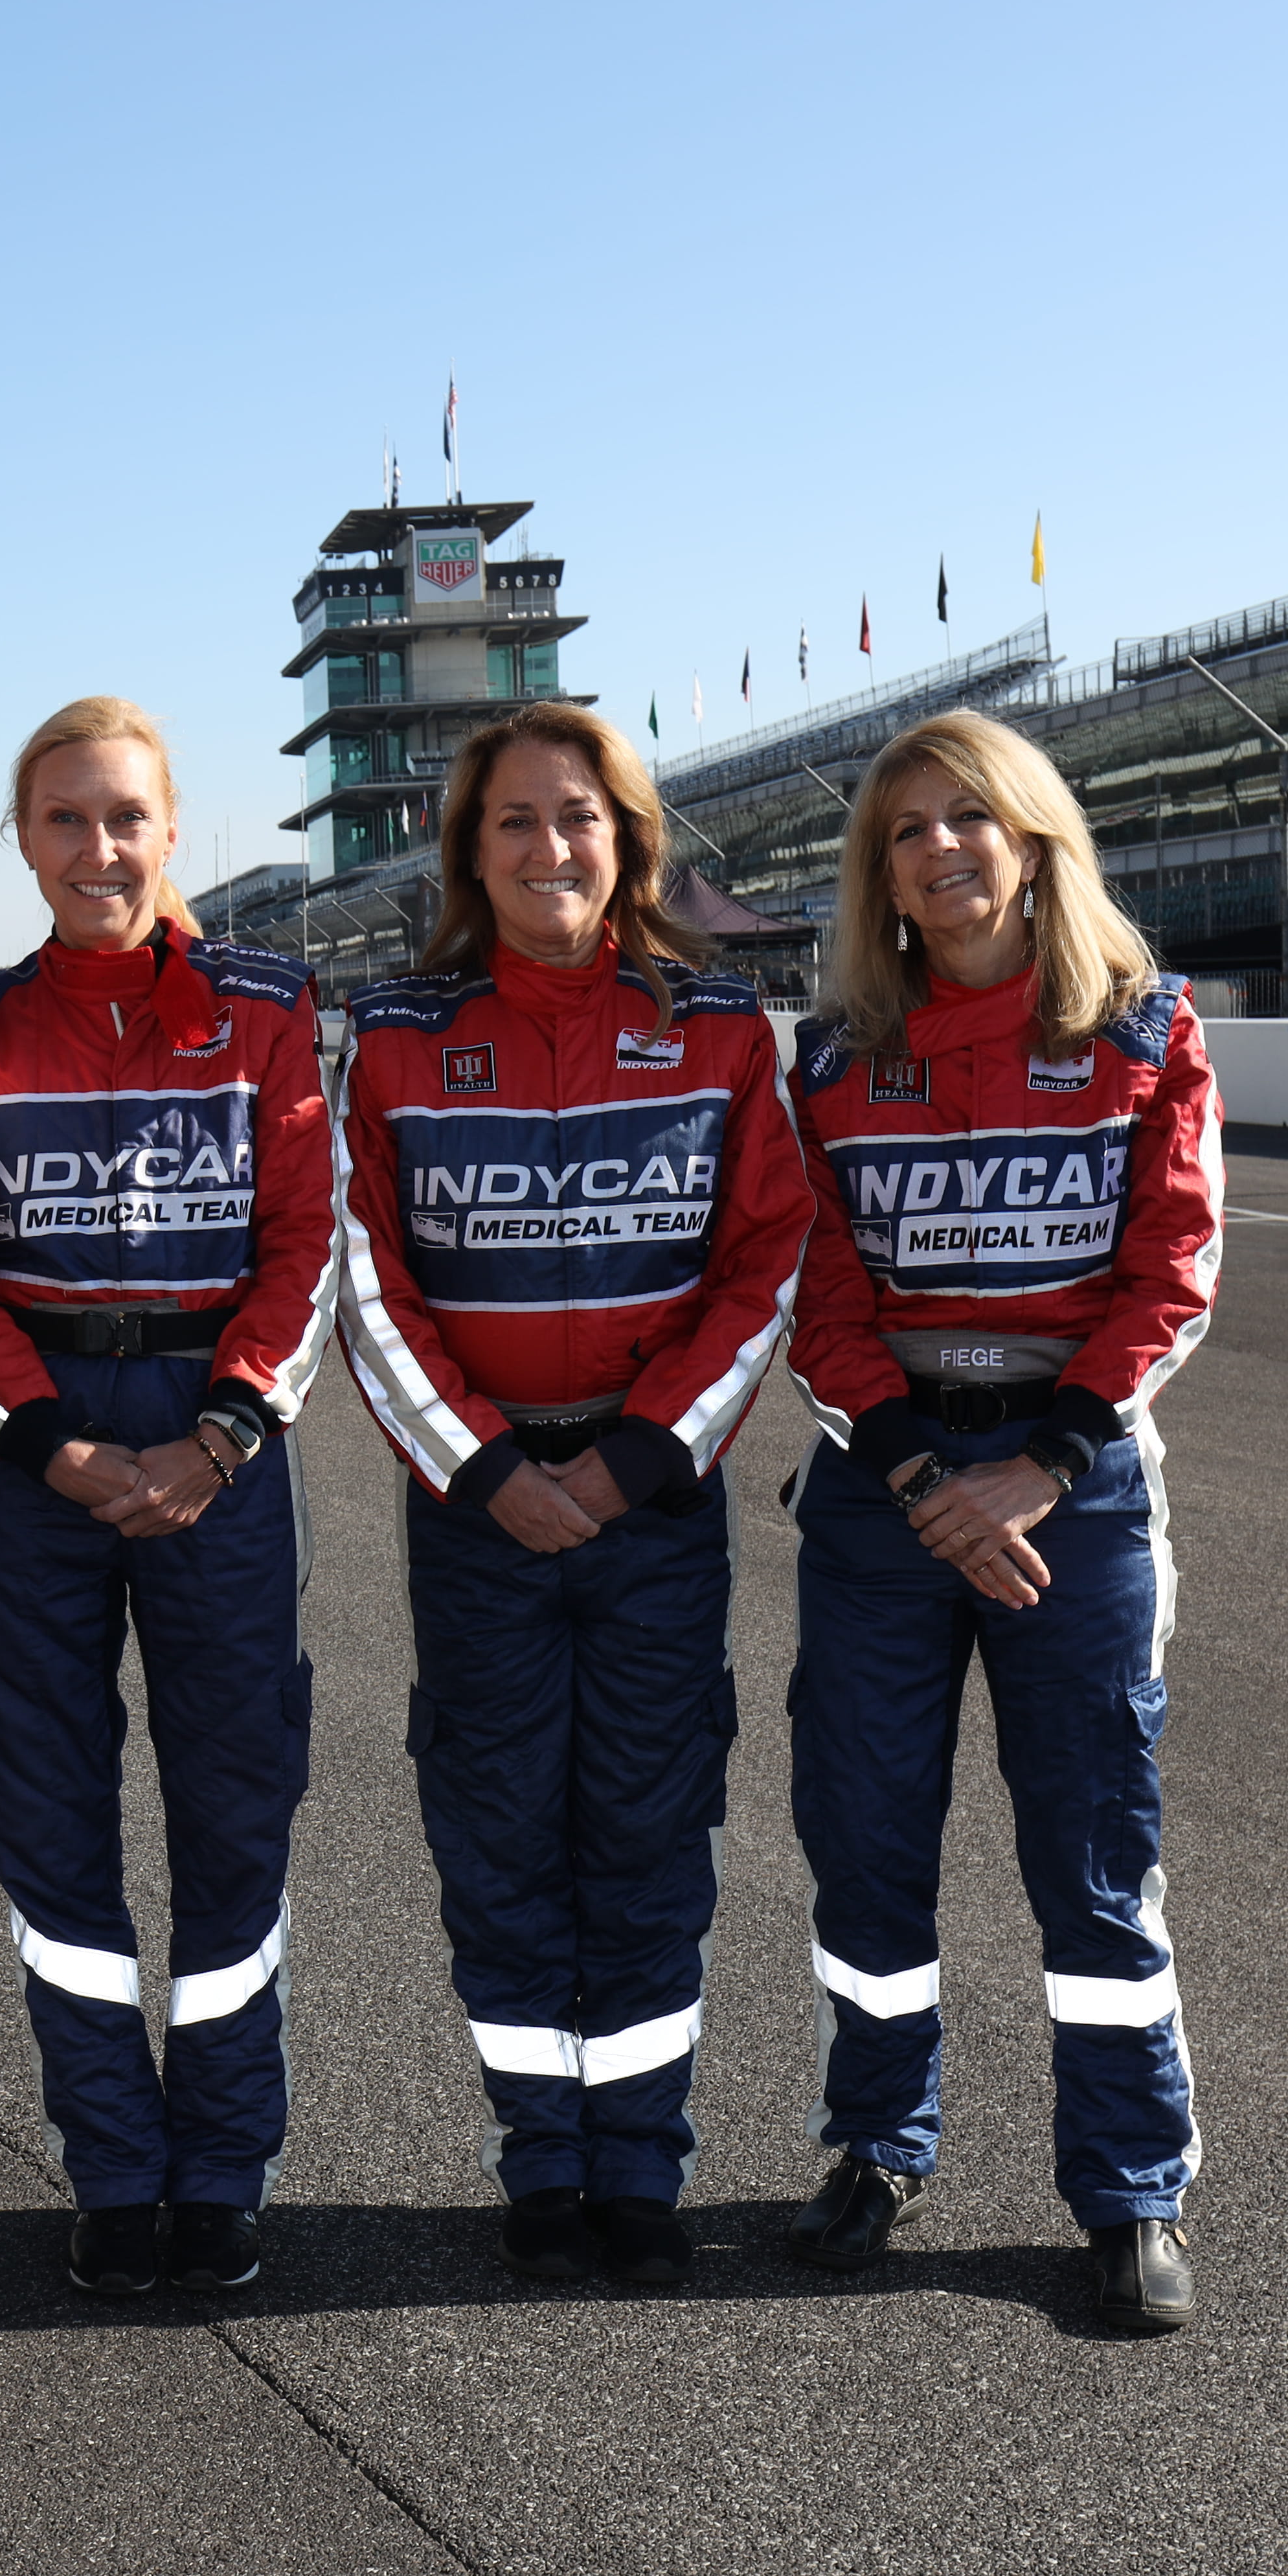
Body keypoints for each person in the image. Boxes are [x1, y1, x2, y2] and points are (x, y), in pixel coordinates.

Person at [335, 702, 812, 2290]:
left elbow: (766, 1265)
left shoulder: (724, 1029)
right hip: (476, 1505)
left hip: (652, 1501)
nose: (551, 846)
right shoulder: (399, 1039)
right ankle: (542, 2156)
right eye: (515, 821)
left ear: (631, 839)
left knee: (650, 1825)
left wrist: (630, 1461)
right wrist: (482, 1463)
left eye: (579, 816)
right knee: (497, 1830)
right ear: (473, 851)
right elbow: (368, 1278)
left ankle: (642, 2166)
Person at [774, 709, 1223, 2335]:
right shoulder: (830, 1059)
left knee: (1095, 1854)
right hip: (887, 1486)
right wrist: (918, 1478)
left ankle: (1129, 2190)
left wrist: (1042, 1462)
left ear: (1035, 837)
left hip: (1074, 1490)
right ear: (877, 872)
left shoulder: (1143, 1029)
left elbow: (1173, 1268)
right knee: (866, 1841)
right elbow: (815, 1297)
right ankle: (879, 2141)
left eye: (974, 817)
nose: (943, 849)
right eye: (908, 829)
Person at [0, 699, 334, 2299]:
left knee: (234, 1807)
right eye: (66, 821)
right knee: (49, 1810)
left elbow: (308, 1238)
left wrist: (220, 1435)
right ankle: (109, 2157)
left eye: (127, 820)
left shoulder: (268, 1006)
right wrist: (52, 1446)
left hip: (215, 1433)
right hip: (40, 1448)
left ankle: (222, 2162)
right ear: (23, 841)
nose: (99, 850)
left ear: (173, 832)